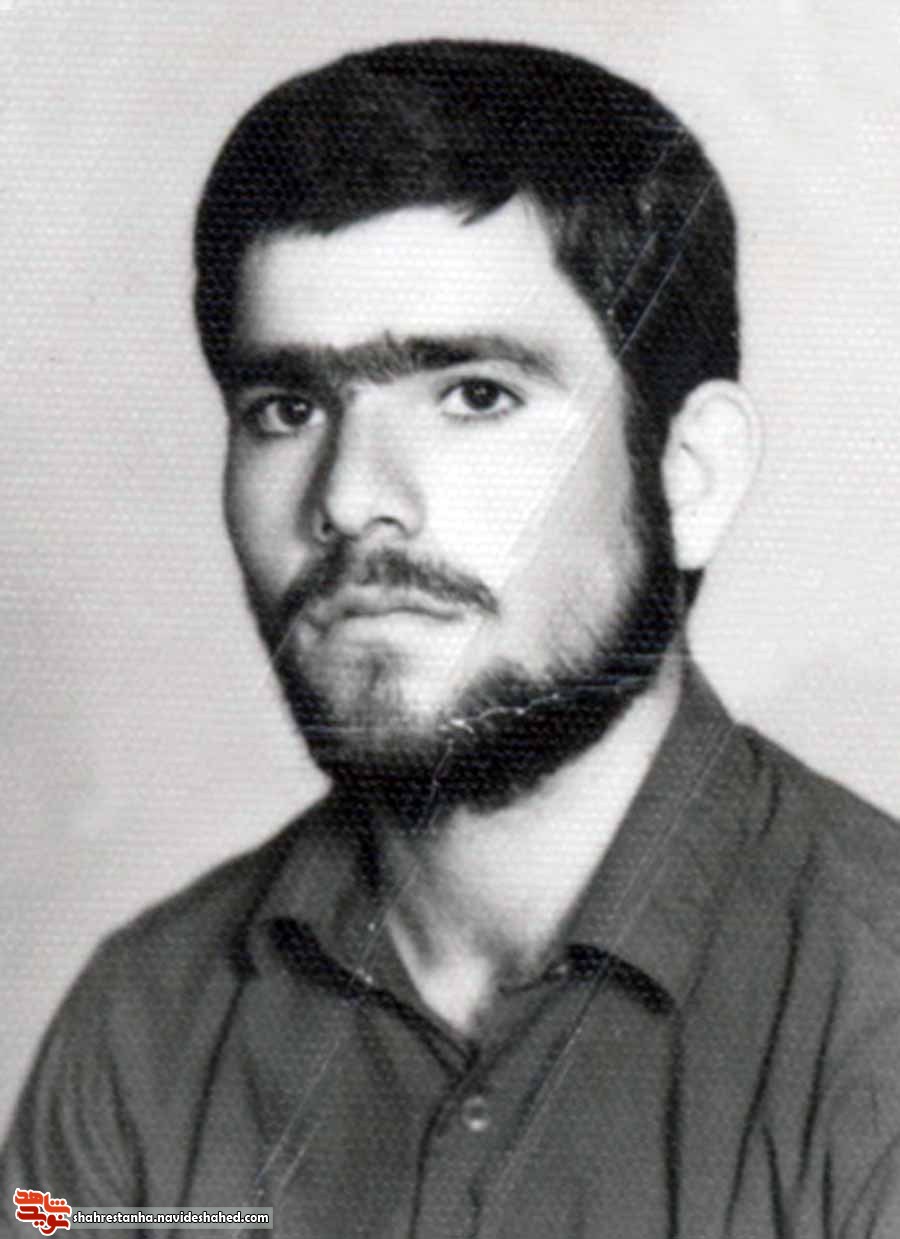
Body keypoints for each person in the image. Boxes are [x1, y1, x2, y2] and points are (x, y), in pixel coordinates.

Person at [3, 38, 900, 1239]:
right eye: (288, 407)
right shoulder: (141, 1026)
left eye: (475, 395)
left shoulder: (876, 1015)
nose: (349, 496)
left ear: (689, 473)